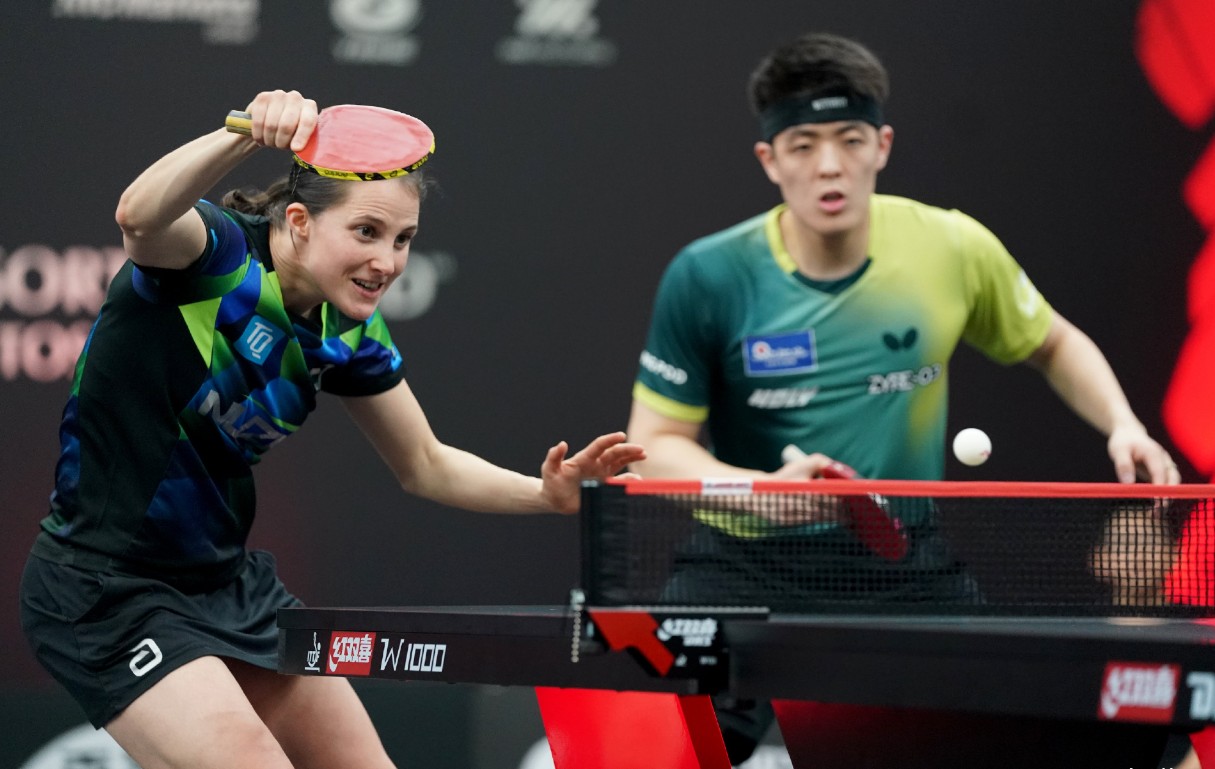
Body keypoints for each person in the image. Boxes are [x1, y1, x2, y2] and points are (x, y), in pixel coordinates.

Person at [19, 89, 645, 769]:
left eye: (403, 239)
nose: (389, 261)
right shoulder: (216, 261)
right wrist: (244, 133)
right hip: (106, 588)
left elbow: (425, 463)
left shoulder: (349, 331)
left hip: (228, 586)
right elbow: (138, 217)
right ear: (299, 222)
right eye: (367, 232)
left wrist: (545, 493)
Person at [624, 32, 1179, 764]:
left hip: (899, 563)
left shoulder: (950, 248)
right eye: (802, 145)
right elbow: (653, 446)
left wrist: (1122, 423)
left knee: (1014, 740)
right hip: (739, 566)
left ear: (881, 146)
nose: (829, 165)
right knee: (651, 752)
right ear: (769, 160)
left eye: (850, 140)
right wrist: (761, 493)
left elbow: (1052, 341)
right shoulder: (709, 276)